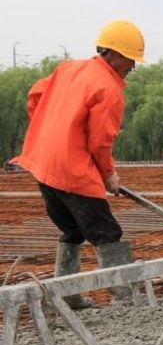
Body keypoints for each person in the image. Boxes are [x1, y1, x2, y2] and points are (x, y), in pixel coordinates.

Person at [11, 21, 145, 309]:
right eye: (131, 58)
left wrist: (52, 129)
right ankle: (125, 298)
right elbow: (100, 142)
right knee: (106, 233)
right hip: (71, 172)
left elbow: (35, 96)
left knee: (72, 230)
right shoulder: (108, 88)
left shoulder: (70, 68)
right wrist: (108, 175)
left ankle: (65, 296)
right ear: (115, 55)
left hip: (42, 163)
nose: (133, 66)